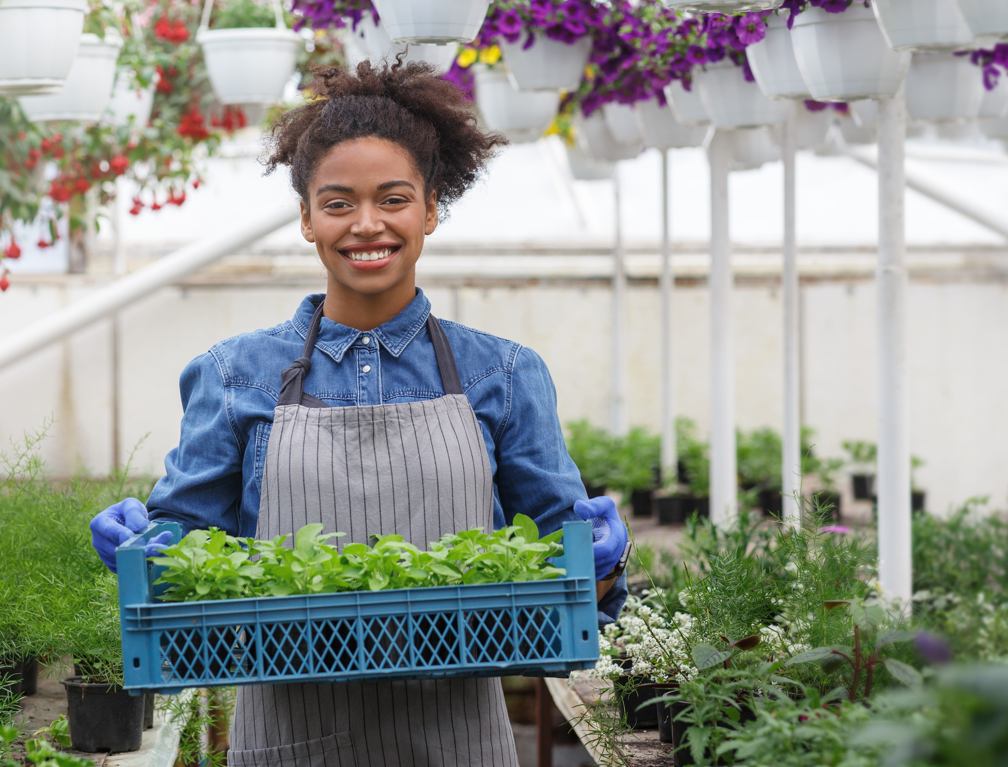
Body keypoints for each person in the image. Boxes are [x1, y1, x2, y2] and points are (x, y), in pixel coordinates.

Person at [91, 58, 630, 767]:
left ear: (431, 208)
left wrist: (596, 562)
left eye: (393, 198)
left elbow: (563, 594)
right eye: (339, 202)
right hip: (289, 738)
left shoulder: (501, 373)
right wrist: (145, 557)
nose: (366, 224)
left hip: (457, 738)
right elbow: (186, 569)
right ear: (307, 219)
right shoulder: (234, 374)